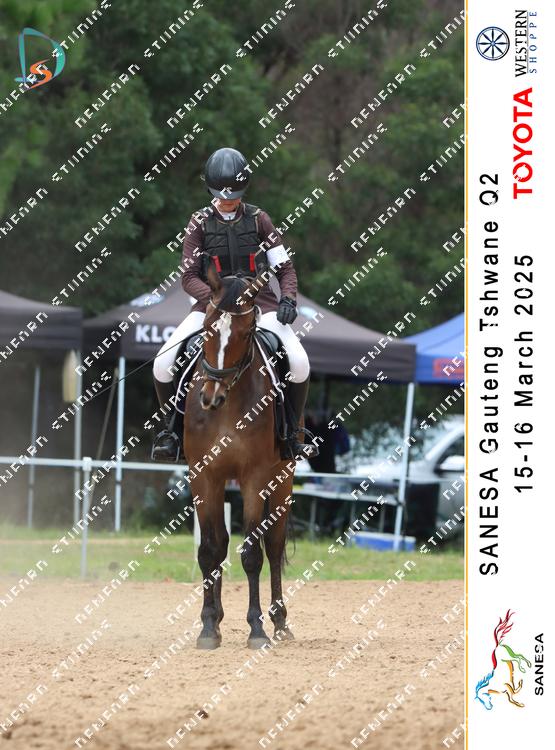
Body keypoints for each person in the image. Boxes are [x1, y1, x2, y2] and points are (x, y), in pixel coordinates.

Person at [151, 146, 319, 463]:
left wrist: (288, 298)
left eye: (234, 194)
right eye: (221, 194)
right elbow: (188, 276)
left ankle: (292, 437)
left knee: (299, 362)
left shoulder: (259, 220)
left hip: (260, 307)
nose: (228, 200)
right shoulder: (199, 223)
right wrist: (215, 301)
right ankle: (172, 434)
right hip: (210, 307)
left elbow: (284, 268)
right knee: (162, 362)